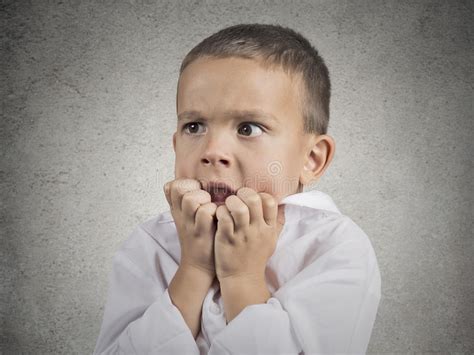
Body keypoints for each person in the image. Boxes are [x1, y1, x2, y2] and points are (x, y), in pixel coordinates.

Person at [93, 23, 381, 354]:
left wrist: (241, 278)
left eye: (248, 128)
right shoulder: (151, 243)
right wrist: (194, 269)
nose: (211, 150)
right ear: (175, 145)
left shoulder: (335, 248)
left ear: (312, 159)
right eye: (194, 126)